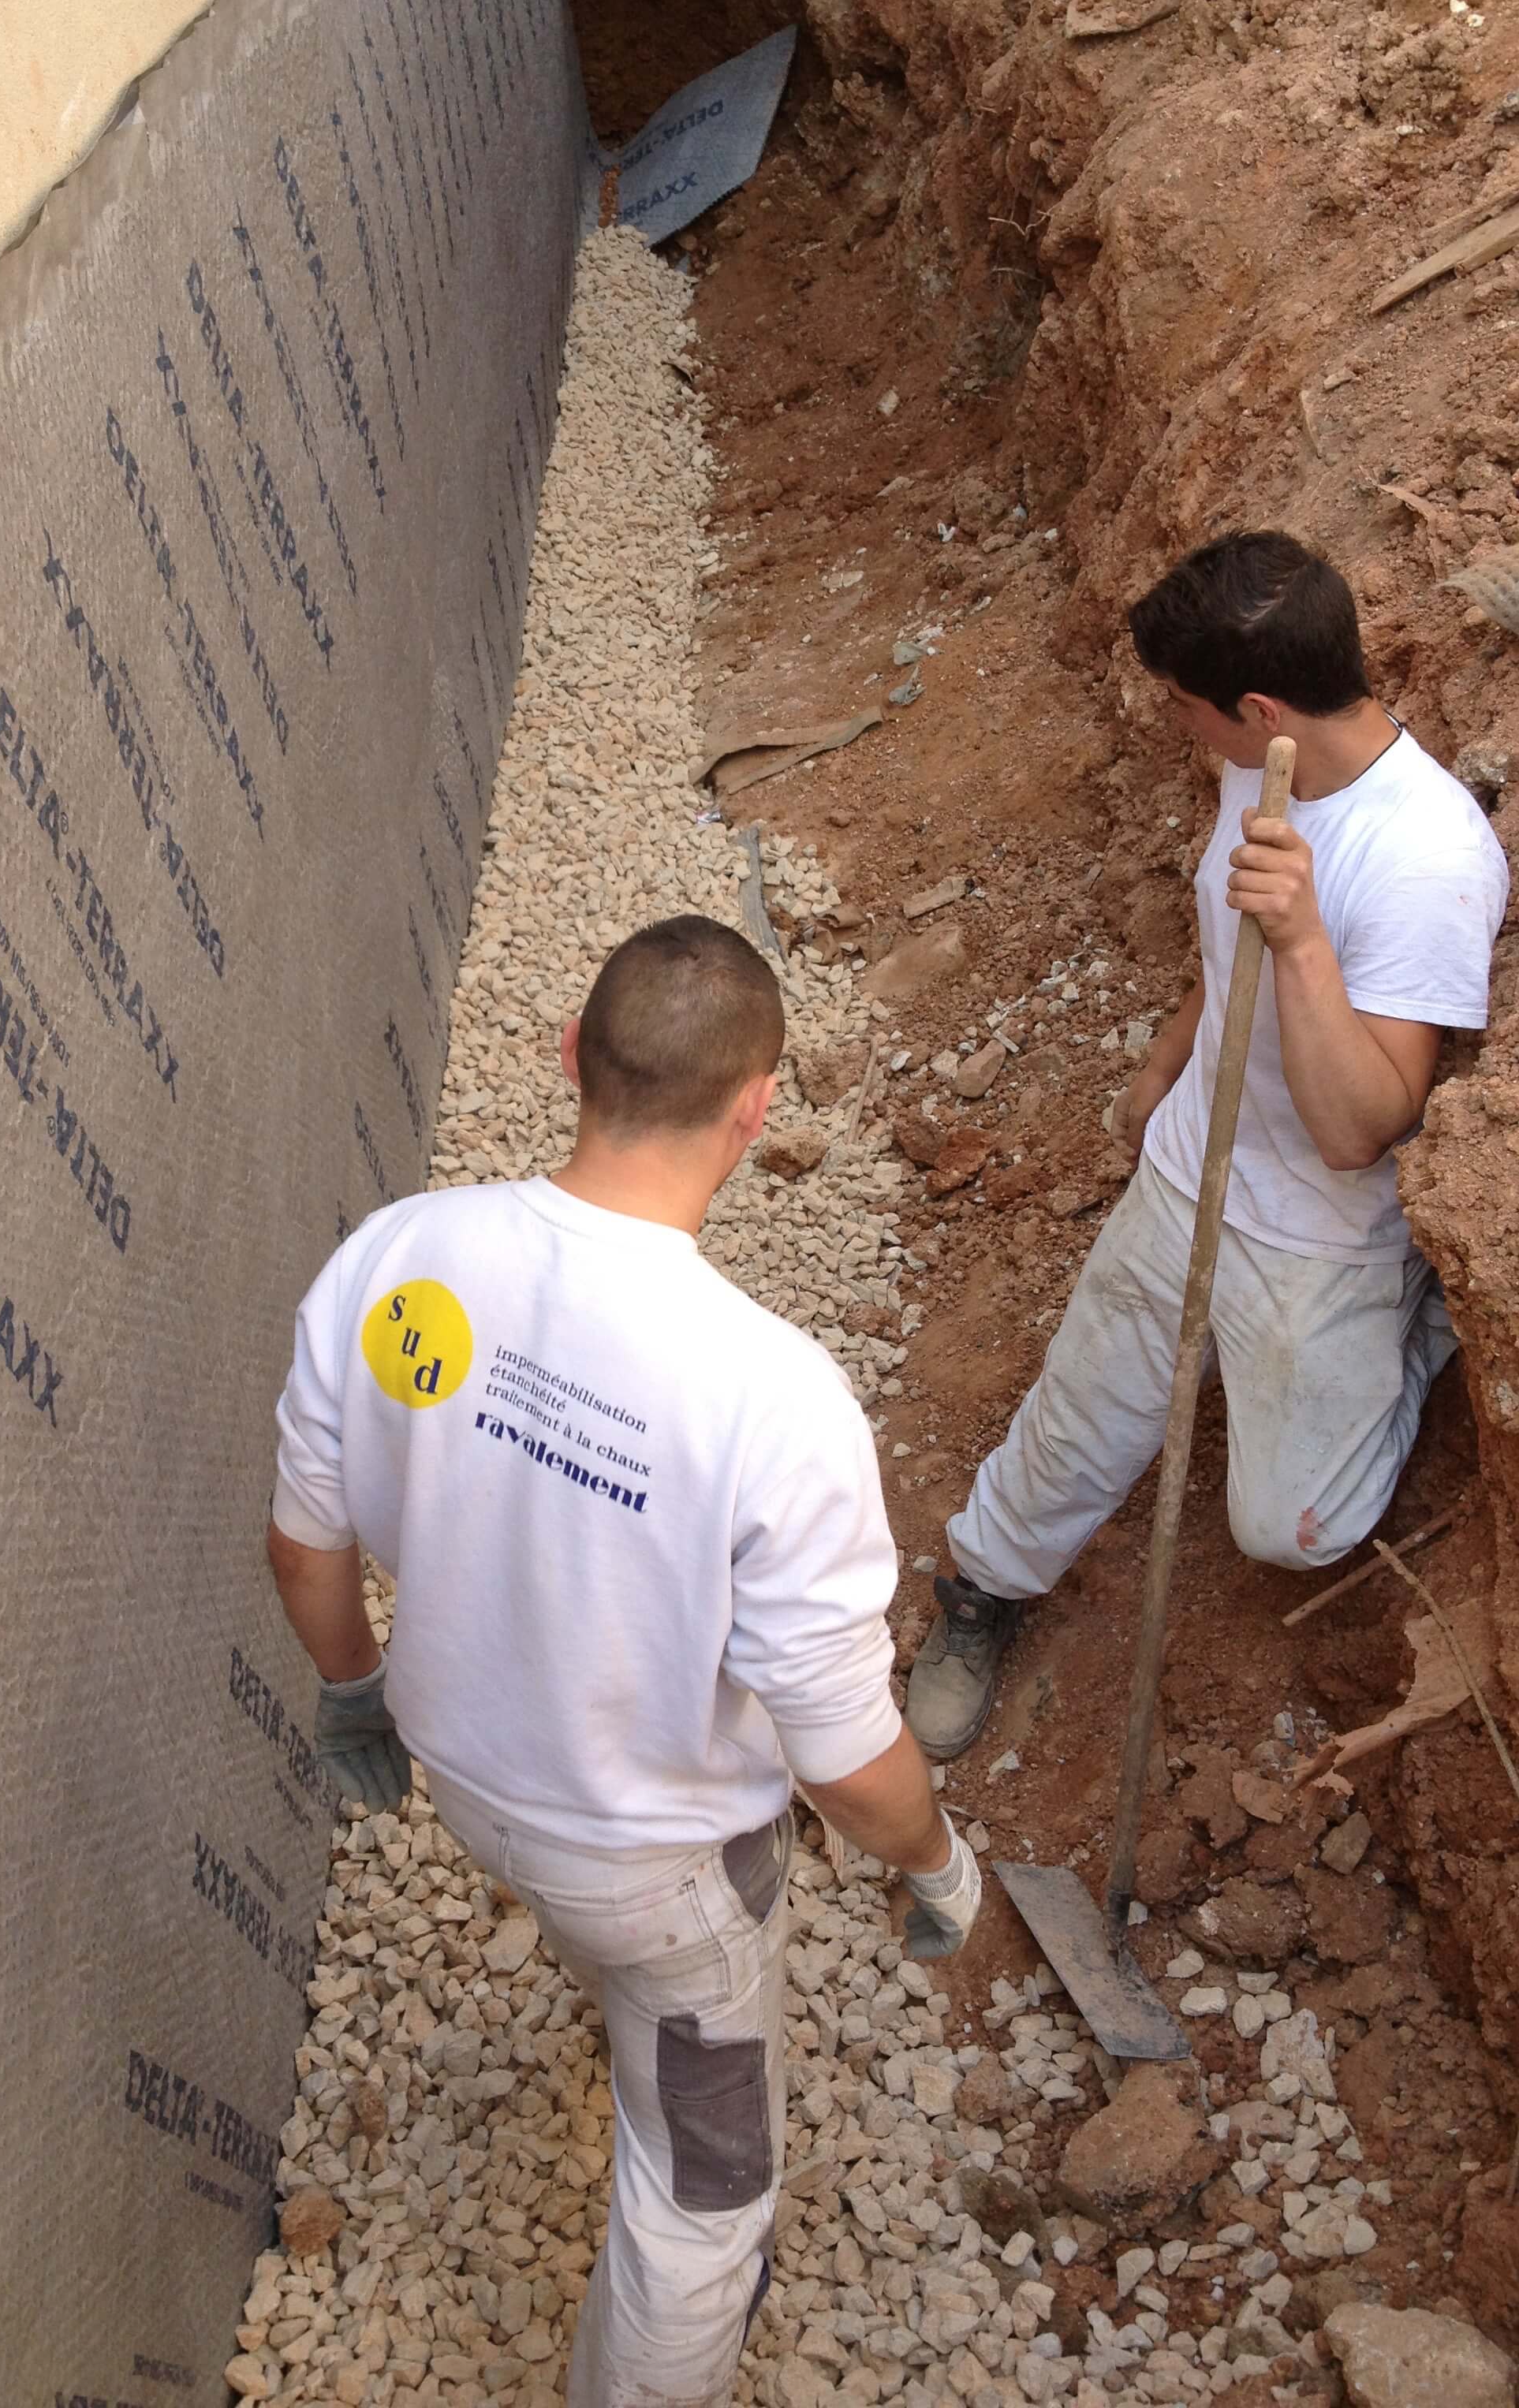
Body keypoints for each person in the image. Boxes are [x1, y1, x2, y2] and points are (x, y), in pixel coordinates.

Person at [267, 914, 981, 2408]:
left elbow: (306, 1550)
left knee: (613, 1961)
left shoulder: (398, 1256)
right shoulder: (773, 1399)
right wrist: (934, 1865)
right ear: (758, 1107)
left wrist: (353, 1689)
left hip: (467, 1782)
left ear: (570, 1060)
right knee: (706, 2191)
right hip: (658, 1874)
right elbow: (845, 1758)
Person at [907, 530, 1510, 1762]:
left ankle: (1416, 1326)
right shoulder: (1263, 768)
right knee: (1080, 1415)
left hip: (1323, 1229)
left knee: (1293, 1528)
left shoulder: (1432, 861)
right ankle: (986, 1586)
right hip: (1200, 1167)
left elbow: (1361, 1129)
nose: (1174, 727)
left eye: (1183, 707)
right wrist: (1167, 1059)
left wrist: (1303, 946)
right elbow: (1218, 930)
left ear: (1258, 705)